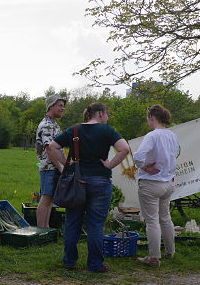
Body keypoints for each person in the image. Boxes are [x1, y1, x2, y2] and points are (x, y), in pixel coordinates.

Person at [47, 102, 130, 272]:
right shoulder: (107, 131)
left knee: (72, 222)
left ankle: (69, 262)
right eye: (107, 114)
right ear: (100, 113)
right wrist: (109, 165)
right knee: (96, 225)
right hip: (100, 181)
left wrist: (66, 165)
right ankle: (95, 265)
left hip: (76, 182)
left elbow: (52, 147)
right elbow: (124, 149)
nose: (107, 118)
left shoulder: (74, 130)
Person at [133, 105, 179, 267]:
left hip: (151, 183)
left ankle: (154, 257)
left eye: (148, 118)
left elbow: (138, 156)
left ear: (152, 117)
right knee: (165, 218)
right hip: (168, 183)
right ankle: (170, 251)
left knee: (152, 221)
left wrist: (144, 166)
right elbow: (176, 154)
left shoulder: (152, 136)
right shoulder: (172, 135)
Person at [35, 94, 66, 227]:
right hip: (49, 167)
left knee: (50, 199)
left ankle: (45, 228)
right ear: (51, 106)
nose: (62, 108)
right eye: (60, 105)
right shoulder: (46, 125)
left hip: (53, 167)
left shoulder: (53, 124)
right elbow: (49, 149)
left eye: (63, 106)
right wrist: (60, 167)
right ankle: (41, 230)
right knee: (46, 198)